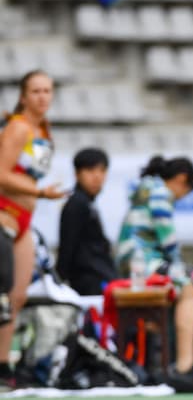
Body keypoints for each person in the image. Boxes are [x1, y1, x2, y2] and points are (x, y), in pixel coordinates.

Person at [115, 155, 193, 387]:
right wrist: (180, 266)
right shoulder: (160, 193)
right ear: (181, 179)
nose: (184, 196)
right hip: (142, 261)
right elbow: (168, 240)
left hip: (132, 261)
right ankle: (185, 367)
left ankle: (166, 363)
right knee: (188, 288)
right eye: (187, 189)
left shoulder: (146, 190)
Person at [0, 70, 66, 390]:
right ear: (24, 96)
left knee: (17, 296)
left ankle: (3, 365)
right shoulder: (18, 128)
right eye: (36, 91)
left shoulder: (42, 130)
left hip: (25, 220)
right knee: (1, 294)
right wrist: (40, 194)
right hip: (4, 215)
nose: (42, 97)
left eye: (47, 91)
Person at [56, 147, 117, 296]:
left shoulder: (87, 203)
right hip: (89, 282)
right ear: (77, 174)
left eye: (102, 171)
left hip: (99, 278)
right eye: (90, 170)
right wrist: (58, 281)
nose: (97, 177)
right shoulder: (76, 203)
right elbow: (67, 246)